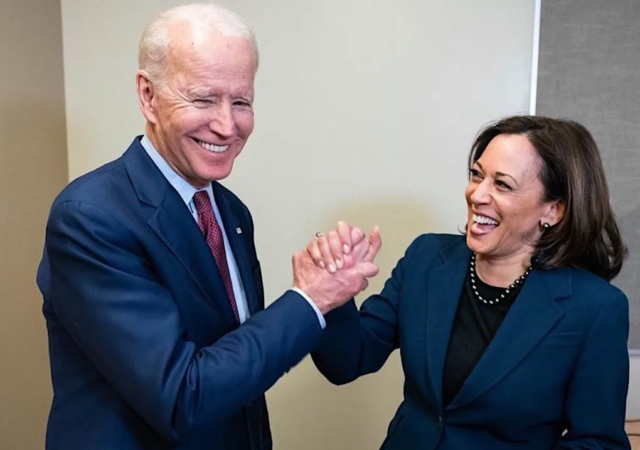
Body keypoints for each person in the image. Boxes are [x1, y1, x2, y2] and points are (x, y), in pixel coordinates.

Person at [36, 4, 378, 450]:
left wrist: (322, 292)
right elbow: (183, 397)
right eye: (202, 99)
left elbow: (237, 366)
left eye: (242, 102)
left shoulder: (230, 212)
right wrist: (308, 299)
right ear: (147, 95)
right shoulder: (90, 217)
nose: (226, 125)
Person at [309, 115, 631, 449]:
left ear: (553, 210)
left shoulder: (596, 308)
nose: (477, 195)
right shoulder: (427, 258)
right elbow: (346, 361)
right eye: (477, 176)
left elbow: (598, 443)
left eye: (502, 184)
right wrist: (333, 293)